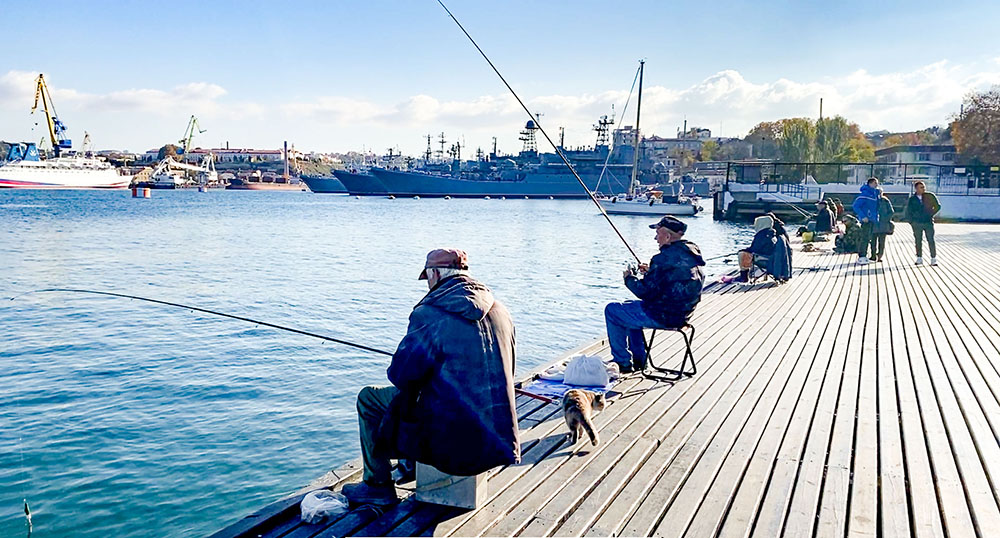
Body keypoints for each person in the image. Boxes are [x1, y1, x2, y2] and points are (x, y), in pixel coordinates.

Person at [341, 248, 519, 505]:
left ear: (435, 274)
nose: (428, 284)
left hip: (452, 433)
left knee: (369, 399)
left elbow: (401, 376)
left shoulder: (431, 313)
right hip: (499, 435)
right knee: (429, 392)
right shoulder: (501, 311)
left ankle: (377, 485)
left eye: (427, 278)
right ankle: (408, 464)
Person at [604, 216, 705, 374]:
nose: (655, 238)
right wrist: (651, 272)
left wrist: (629, 278)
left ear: (667, 236)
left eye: (658, 234)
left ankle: (622, 362)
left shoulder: (662, 259)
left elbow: (644, 292)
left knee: (612, 310)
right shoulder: (690, 256)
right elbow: (670, 281)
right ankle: (639, 360)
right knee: (628, 306)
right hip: (683, 314)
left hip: (663, 316)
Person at [904, 180, 941, 265]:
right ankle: (919, 257)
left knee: (930, 240)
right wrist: (911, 221)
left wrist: (931, 214)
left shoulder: (930, 196)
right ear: (916, 188)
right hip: (916, 223)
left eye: (924, 187)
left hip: (928, 222)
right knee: (918, 240)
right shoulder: (912, 199)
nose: (923, 189)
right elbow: (908, 211)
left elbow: (938, 206)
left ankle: (933, 258)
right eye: (921, 187)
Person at [735, 215, 777, 283]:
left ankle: (744, 276)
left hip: (764, 258)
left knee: (741, 254)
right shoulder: (771, 233)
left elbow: (755, 249)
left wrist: (743, 250)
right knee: (745, 253)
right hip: (771, 257)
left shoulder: (761, 235)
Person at [851, 178, 881, 264]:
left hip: (873, 219)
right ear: (870, 183)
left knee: (870, 238)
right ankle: (862, 256)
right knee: (865, 237)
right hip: (866, 219)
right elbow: (856, 206)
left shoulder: (875, 194)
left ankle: (866, 256)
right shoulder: (865, 194)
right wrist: (862, 216)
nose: (876, 185)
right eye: (875, 183)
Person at [870, 193, 895, 262]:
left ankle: (880, 256)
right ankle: (873, 255)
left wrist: (886, 219)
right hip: (873, 224)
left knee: (882, 241)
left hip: (883, 224)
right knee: (873, 241)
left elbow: (891, 212)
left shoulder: (885, 201)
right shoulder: (871, 200)